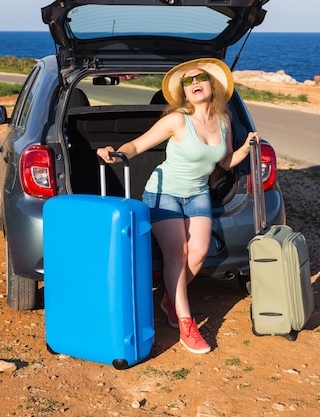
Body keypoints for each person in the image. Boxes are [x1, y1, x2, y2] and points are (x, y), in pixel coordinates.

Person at [97, 58, 260, 354]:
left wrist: (245, 148)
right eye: (188, 82)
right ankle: (186, 324)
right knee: (178, 253)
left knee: (198, 251)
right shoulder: (177, 120)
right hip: (163, 193)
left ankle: (171, 299)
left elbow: (222, 163)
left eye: (200, 78)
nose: (194, 84)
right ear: (184, 93)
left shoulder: (223, 121)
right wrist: (113, 154)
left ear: (212, 86)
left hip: (198, 193)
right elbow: (136, 146)